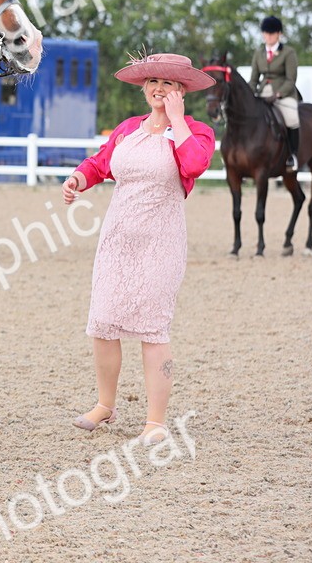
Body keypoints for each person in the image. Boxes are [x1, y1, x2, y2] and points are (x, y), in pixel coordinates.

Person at [61, 53, 216, 445]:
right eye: (153, 82)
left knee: (152, 326)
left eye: (168, 83)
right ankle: (105, 404)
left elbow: (194, 165)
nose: (159, 89)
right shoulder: (129, 128)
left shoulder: (197, 132)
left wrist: (178, 121)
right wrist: (78, 179)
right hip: (117, 239)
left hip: (160, 242)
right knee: (103, 321)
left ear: (182, 91)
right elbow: (101, 163)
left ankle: (155, 421)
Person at [248, 15, 300, 171]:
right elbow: (253, 79)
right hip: (262, 91)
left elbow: (291, 80)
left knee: (292, 119)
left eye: (271, 33)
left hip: (284, 92)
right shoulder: (258, 53)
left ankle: (292, 155)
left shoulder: (288, 53)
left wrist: (277, 95)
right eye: (266, 33)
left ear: (279, 34)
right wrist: (249, 95)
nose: (268, 36)